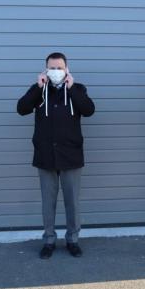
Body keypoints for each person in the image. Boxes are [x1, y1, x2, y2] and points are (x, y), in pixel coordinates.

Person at [17, 52, 95, 259]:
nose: (56, 71)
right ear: (45, 70)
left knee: (72, 202)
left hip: (71, 156)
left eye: (59, 68)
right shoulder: (39, 90)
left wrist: (72, 88)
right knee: (48, 203)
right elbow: (21, 108)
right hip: (46, 156)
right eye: (52, 68)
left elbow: (89, 110)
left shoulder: (78, 89)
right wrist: (38, 88)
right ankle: (49, 240)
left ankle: (73, 240)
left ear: (66, 69)